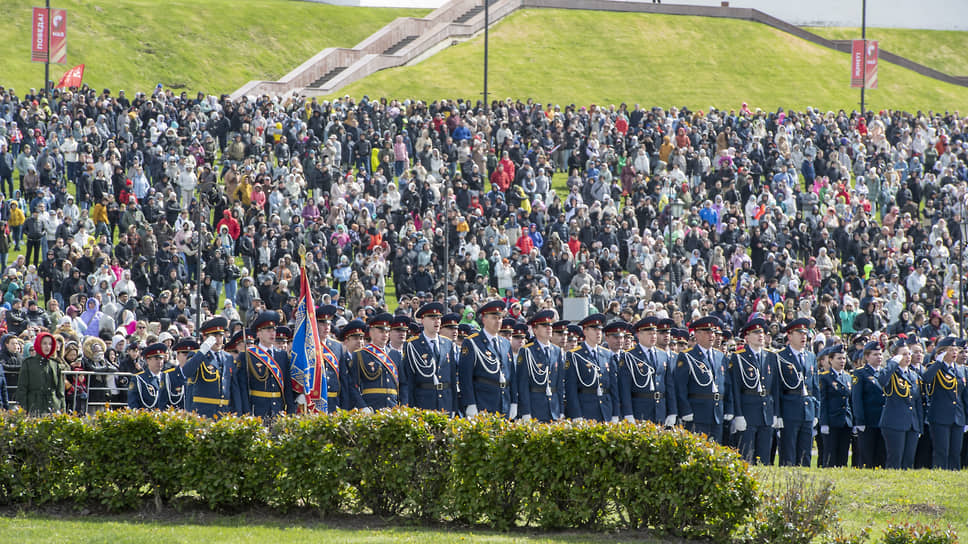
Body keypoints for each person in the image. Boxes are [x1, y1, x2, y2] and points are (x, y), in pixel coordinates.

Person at [726, 318, 775, 464]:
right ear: (746, 337)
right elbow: (735, 389)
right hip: (748, 412)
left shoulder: (770, 356)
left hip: (766, 411)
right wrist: (738, 415)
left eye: (762, 332)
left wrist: (777, 413)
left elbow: (775, 388)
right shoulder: (738, 357)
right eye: (755, 333)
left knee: (764, 458)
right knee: (746, 457)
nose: (760, 335)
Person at [771, 318, 818, 466]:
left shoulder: (811, 356)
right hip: (789, 410)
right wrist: (777, 414)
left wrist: (816, 412)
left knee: (805, 455)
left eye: (805, 333)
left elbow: (815, 387)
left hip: (808, 410)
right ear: (790, 336)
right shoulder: (780, 357)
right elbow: (776, 388)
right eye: (799, 333)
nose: (804, 336)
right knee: (788, 455)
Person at [674, 316, 727, 443]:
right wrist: (685, 410)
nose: (712, 335)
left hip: (717, 413)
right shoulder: (687, 356)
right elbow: (680, 387)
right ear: (697, 335)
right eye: (707, 332)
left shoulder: (720, 356)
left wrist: (728, 409)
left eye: (713, 332)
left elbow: (726, 384)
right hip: (697, 414)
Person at [459, 300, 515, 418]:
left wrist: (514, 401)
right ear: (484, 319)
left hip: (504, 401)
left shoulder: (505, 343)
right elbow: (466, 376)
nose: (498, 321)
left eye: (500, 318)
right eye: (494, 318)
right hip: (483, 402)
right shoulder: (472, 342)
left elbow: (511, 375)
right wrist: (470, 403)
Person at [399, 302, 457, 415]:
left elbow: (452, 378)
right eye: (432, 318)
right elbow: (409, 379)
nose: (437, 321)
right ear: (422, 320)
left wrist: (454, 406)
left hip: (446, 401)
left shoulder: (447, 343)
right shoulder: (412, 345)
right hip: (424, 402)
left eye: (439, 318)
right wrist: (411, 407)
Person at [619, 316, 677, 426]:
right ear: (639, 334)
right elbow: (625, 388)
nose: (653, 336)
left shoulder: (663, 355)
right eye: (649, 333)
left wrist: (672, 411)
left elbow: (669, 385)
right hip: (640, 410)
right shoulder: (629, 356)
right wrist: (628, 413)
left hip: (660, 410)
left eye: (655, 333)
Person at [180, 316, 243, 417]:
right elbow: (187, 372)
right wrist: (202, 351)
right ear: (205, 337)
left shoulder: (228, 357)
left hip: (224, 412)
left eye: (220, 335)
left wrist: (238, 413)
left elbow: (233, 388)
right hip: (204, 412)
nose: (218, 339)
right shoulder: (198, 355)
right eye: (214, 336)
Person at [921, 336, 968, 470]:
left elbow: (963, 396)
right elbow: (926, 379)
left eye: (955, 350)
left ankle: (953, 474)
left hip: (957, 417)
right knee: (942, 451)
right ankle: (940, 475)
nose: (954, 353)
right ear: (942, 352)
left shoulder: (960, 370)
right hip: (940, 416)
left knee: (955, 452)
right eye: (950, 350)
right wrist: (938, 362)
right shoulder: (935, 368)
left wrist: (966, 418)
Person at [238, 311, 295, 418]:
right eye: (268, 330)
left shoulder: (282, 355)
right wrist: (247, 413)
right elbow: (243, 388)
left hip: (278, 410)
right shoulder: (248, 355)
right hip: (258, 410)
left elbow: (287, 386)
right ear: (259, 333)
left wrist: (291, 410)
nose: (272, 333)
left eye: (274, 330)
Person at [565, 313, 619, 423]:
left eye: (600, 329)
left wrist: (615, 414)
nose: (598, 333)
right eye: (594, 329)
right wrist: (576, 415)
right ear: (585, 331)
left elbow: (613, 387)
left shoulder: (607, 354)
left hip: (606, 409)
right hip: (586, 409)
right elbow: (571, 389)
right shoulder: (575, 355)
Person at [879, 339, 924, 469]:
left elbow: (917, 403)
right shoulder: (891, 373)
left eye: (908, 354)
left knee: (908, 461)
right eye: (903, 354)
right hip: (894, 423)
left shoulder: (914, 375)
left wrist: (919, 426)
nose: (908, 357)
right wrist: (892, 363)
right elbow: (882, 380)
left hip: (912, 424)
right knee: (895, 460)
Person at [515, 309, 564, 422]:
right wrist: (526, 412)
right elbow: (523, 384)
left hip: (554, 409)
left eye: (550, 325)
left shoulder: (557, 350)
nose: (549, 328)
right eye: (544, 325)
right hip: (535, 408)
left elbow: (560, 384)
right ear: (535, 330)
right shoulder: (527, 351)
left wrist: (561, 410)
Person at [346, 312, 399, 412]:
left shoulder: (395, 355)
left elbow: (404, 384)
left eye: (387, 331)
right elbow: (353, 385)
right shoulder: (360, 355)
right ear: (371, 332)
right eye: (381, 331)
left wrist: (403, 404)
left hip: (393, 406)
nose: (385, 335)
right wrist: (362, 406)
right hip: (371, 407)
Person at [852, 341, 887, 468]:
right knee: (867, 455)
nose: (879, 357)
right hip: (868, 420)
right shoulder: (860, 373)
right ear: (866, 357)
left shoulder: (884, 373)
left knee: (881, 454)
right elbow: (857, 399)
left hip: (883, 420)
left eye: (880, 354)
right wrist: (860, 420)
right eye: (875, 354)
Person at [818, 345, 852, 467]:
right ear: (830, 360)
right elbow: (823, 401)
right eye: (839, 358)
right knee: (830, 455)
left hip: (845, 421)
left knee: (843, 455)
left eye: (844, 358)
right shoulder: (825, 377)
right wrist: (824, 423)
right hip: (831, 420)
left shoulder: (848, 376)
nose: (842, 361)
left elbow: (849, 400)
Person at [15, 332, 64, 414]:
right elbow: (22, 388)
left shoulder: (55, 364)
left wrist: (63, 410)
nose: (47, 347)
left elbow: (60, 391)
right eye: (44, 343)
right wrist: (22, 410)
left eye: (50, 344)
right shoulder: (28, 363)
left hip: (53, 407)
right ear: (38, 344)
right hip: (34, 406)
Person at [127, 343, 172, 410]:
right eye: (156, 359)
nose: (159, 362)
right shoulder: (139, 379)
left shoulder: (167, 378)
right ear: (148, 360)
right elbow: (133, 402)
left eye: (161, 359)